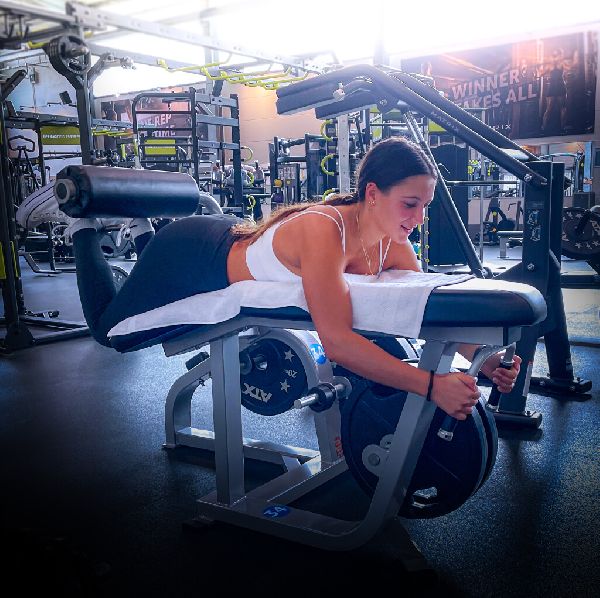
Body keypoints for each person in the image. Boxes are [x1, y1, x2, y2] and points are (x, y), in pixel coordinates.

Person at [17, 137, 520, 420]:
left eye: (424, 206)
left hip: (220, 237)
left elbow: (425, 314)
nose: (419, 218)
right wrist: (430, 385)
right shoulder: (326, 231)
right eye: (410, 204)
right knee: (110, 332)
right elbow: (338, 343)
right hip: (193, 256)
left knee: (136, 303)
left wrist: (484, 357)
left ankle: (140, 225)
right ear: (372, 193)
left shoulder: (394, 241)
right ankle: (82, 225)